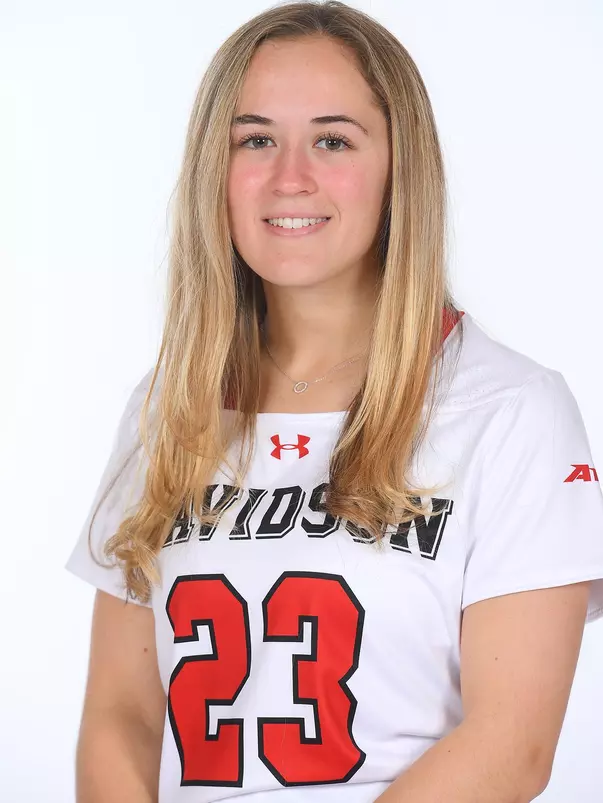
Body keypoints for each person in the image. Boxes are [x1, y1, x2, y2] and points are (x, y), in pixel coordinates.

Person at [65, 2, 603, 802]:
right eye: (254, 140)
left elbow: (510, 746)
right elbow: (121, 717)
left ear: (398, 168)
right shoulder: (170, 409)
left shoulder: (510, 409)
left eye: (333, 140)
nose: (290, 177)